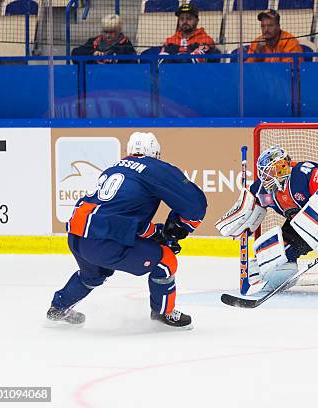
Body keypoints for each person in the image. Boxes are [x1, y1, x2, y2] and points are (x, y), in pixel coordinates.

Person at [47, 132, 207, 328]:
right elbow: (195, 204)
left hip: (77, 236)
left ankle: (58, 307)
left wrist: (156, 233)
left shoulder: (112, 169)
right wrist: (179, 228)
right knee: (166, 261)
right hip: (103, 241)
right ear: (155, 153)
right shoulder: (155, 168)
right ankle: (163, 314)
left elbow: (122, 216)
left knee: (92, 275)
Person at [216, 146, 318, 294]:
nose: (268, 175)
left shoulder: (304, 173)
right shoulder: (263, 188)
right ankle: (265, 283)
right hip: (298, 227)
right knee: (274, 255)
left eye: (272, 170)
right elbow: (250, 202)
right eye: (266, 172)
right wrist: (241, 216)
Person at [71, 14, 137, 64]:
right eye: (105, 32)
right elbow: (75, 53)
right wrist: (92, 54)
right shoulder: (94, 41)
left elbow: (134, 63)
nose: (108, 35)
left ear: (118, 31)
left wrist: (116, 60)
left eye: (111, 32)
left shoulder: (126, 45)